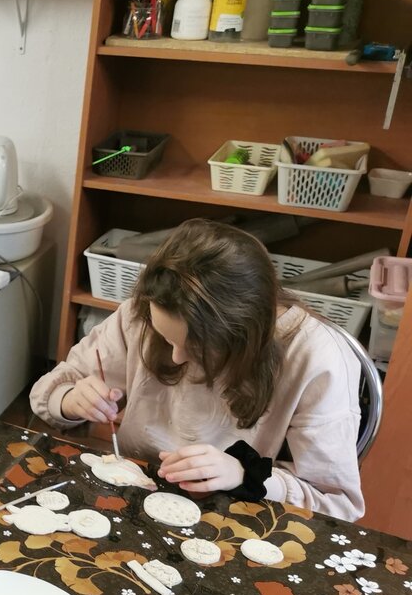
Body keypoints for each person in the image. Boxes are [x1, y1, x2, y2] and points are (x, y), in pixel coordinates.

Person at [30, 218, 363, 521]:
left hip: (239, 512)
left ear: (244, 334)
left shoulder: (317, 357)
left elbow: (335, 504)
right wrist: (71, 400)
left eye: (196, 348)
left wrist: (244, 474)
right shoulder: (142, 314)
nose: (175, 358)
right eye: (166, 339)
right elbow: (50, 391)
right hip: (139, 491)